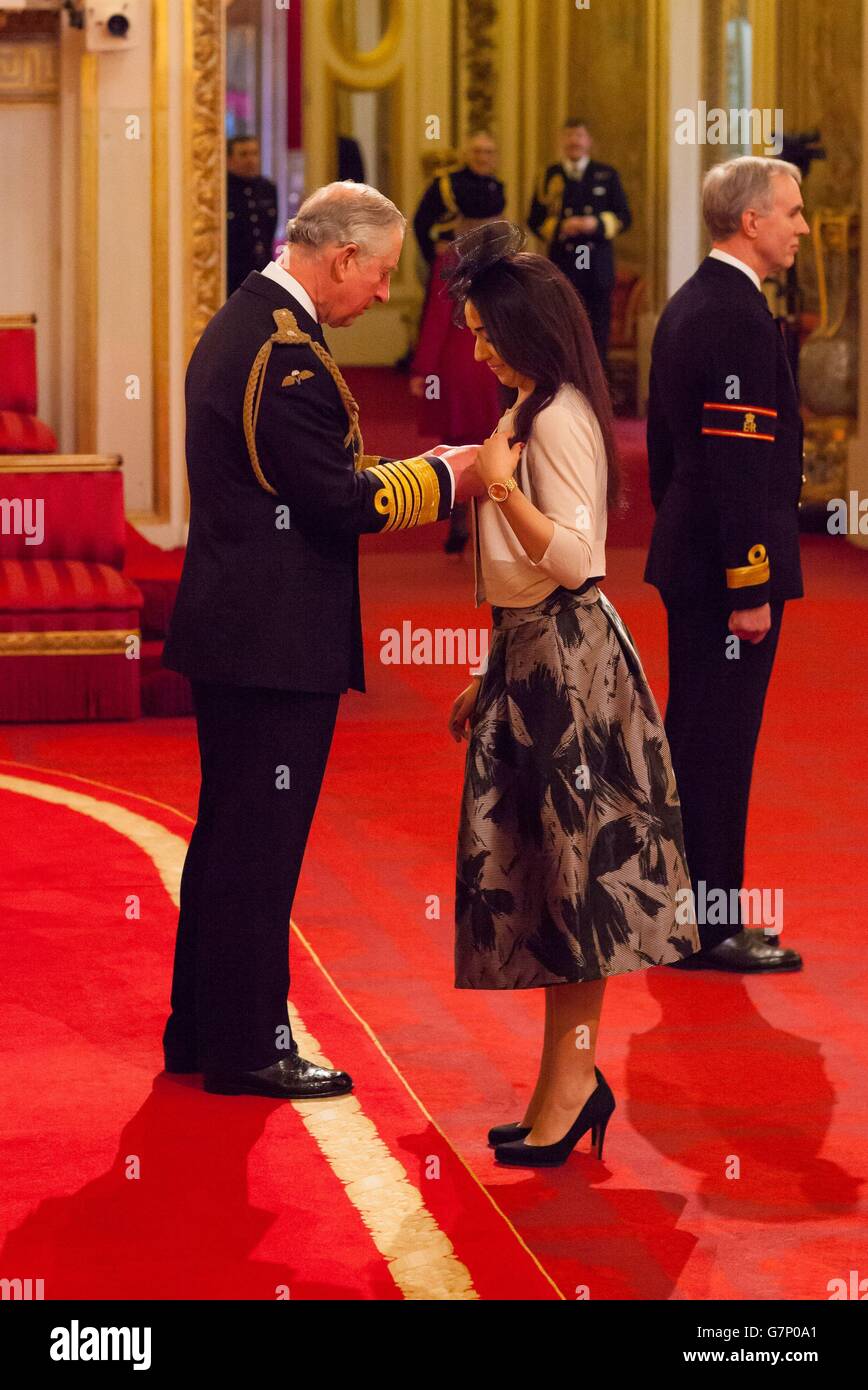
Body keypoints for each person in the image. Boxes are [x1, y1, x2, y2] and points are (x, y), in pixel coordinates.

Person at [162, 181, 482, 1100]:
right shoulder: (284, 353)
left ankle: (203, 1030)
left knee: (228, 841)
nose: (384, 295)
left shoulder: (251, 325)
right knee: (259, 851)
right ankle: (251, 1044)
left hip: (239, 628)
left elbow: (308, 473)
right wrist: (446, 479)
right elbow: (336, 499)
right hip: (270, 644)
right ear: (342, 258)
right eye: (381, 275)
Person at [445, 223, 701, 1169]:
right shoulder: (534, 401)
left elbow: (577, 556)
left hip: (569, 665)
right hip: (532, 656)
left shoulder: (554, 418)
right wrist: (487, 671)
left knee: (577, 885)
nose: (473, 348)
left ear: (525, 330)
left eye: (483, 331)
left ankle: (572, 1086)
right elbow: (526, 573)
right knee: (553, 885)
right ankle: (568, 1083)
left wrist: (503, 491)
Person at [645, 155, 809, 972]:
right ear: (751, 221)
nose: (802, 227)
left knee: (697, 738)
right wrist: (751, 584)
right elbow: (737, 465)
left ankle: (689, 916)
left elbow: (668, 453)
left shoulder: (691, 301)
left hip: (691, 554)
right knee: (717, 746)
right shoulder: (736, 314)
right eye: (792, 211)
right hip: (723, 571)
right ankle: (709, 927)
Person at [411, 132, 506, 555]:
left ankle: (458, 521)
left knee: (456, 448)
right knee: (493, 443)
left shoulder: (451, 261)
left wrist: (423, 370)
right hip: (493, 365)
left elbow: (436, 319)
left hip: (458, 362)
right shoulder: (506, 263)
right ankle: (493, 523)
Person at [528, 118, 631, 368]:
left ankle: (597, 395)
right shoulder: (549, 175)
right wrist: (560, 227)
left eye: (579, 136)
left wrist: (594, 224)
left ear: (588, 141)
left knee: (597, 336)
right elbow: (534, 218)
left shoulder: (606, 175)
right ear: (562, 141)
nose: (574, 141)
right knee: (562, 331)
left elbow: (624, 217)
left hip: (596, 269)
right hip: (563, 264)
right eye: (569, 136)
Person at [226, 135, 278, 295]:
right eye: (243, 154)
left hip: (262, 271)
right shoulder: (222, 190)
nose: (250, 160)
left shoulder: (267, 188)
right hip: (231, 275)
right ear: (229, 159)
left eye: (254, 153)